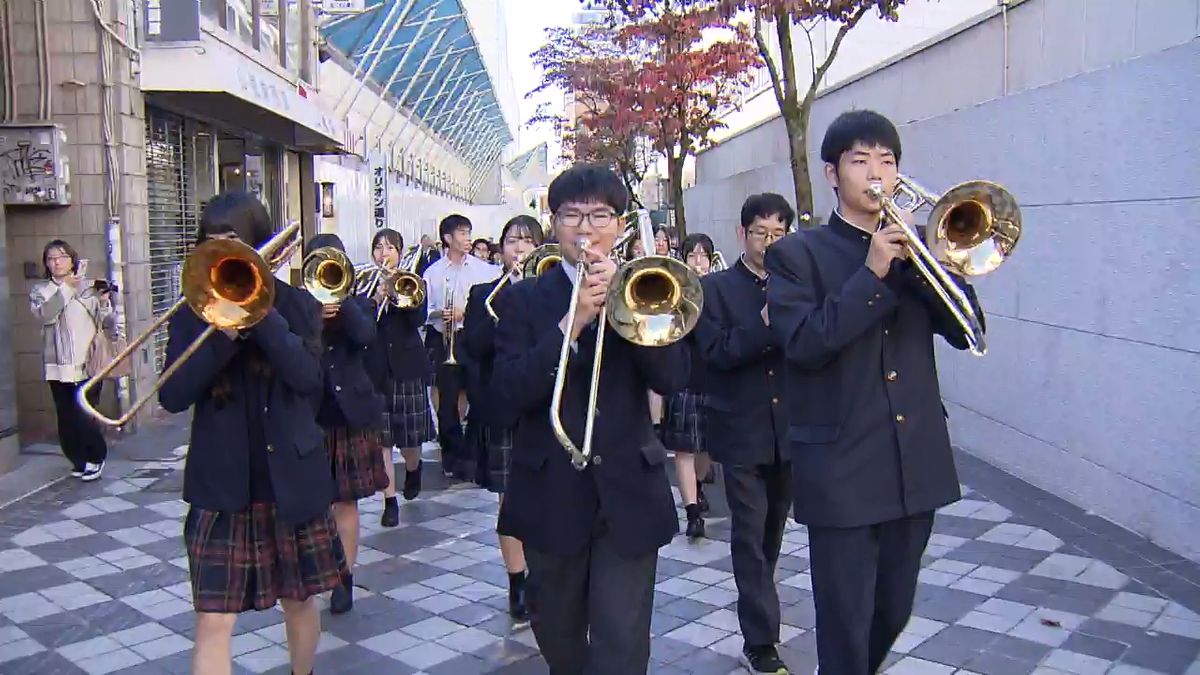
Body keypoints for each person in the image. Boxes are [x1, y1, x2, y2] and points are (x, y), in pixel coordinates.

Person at [765, 109, 984, 673]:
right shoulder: (796, 256)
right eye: (860, 161)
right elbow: (805, 345)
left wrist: (942, 265)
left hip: (915, 464)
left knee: (893, 609)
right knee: (844, 621)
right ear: (833, 173)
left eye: (887, 161)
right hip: (840, 467)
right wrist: (871, 273)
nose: (876, 173)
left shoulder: (919, 251)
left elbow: (968, 333)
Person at [493, 164, 690, 674]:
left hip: (628, 489)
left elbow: (672, 378)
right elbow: (506, 396)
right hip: (550, 493)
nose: (586, 228)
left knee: (622, 644)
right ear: (552, 223)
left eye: (600, 215)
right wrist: (573, 321)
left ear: (620, 224)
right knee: (559, 638)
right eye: (572, 215)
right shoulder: (521, 301)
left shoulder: (645, 288)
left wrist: (631, 315)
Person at [158, 192, 345, 675]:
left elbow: (308, 380)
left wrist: (260, 316)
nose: (223, 255)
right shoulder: (191, 311)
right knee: (213, 621)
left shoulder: (298, 306)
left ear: (262, 248)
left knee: (300, 603)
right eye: (212, 243)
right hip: (222, 486)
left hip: (291, 479)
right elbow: (172, 395)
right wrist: (222, 333)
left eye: (234, 243)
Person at [695, 193, 794, 674]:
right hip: (739, 429)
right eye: (761, 233)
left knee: (773, 532)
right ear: (742, 234)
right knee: (750, 535)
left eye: (778, 234)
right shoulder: (713, 289)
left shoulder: (798, 285)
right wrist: (764, 325)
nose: (769, 243)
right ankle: (761, 641)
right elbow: (716, 353)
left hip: (790, 432)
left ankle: (761, 604)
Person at [462, 214, 544, 624]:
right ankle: (517, 580)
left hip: (546, 407)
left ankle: (545, 575)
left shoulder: (552, 289)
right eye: (512, 241)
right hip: (504, 406)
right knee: (508, 499)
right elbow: (472, 349)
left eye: (528, 241)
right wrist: (502, 307)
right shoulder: (484, 294)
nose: (519, 249)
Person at [306, 233, 389, 615]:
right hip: (307, 413)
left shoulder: (355, 303)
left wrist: (341, 303)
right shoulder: (296, 306)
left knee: (345, 499)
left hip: (349, 413)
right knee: (310, 501)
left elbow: (366, 335)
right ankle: (315, 568)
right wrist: (311, 315)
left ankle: (344, 576)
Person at [422, 215, 500, 479]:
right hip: (443, 339)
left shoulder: (484, 269)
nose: (468, 238)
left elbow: (492, 304)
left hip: (471, 338)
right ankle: (451, 455)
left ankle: (474, 454)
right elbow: (426, 309)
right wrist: (438, 313)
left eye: (469, 233)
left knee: (478, 396)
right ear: (448, 238)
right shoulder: (432, 273)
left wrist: (463, 313)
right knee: (447, 403)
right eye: (462, 233)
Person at [30, 240, 114, 481]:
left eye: (62, 257)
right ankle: (77, 460)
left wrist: (105, 301)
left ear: (72, 260)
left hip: (87, 363)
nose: (56, 262)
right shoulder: (41, 291)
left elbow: (106, 321)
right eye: (51, 258)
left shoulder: (87, 289)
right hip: (57, 365)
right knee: (65, 416)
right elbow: (45, 315)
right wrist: (66, 289)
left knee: (84, 414)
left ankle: (96, 456)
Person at [365, 228, 432, 526]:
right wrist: (374, 297)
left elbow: (418, 319)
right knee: (382, 439)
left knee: (409, 438)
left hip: (407, 367)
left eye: (390, 247)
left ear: (401, 253)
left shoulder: (413, 282)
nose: (384, 253)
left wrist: (396, 294)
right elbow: (361, 324)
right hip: (375, 369)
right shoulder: (364, 284)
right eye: (378, 247)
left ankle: (414, 468)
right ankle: (389, 500)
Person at [662, 232, 716, 540]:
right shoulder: (674, 290)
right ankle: (692, 511)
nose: (698, 261)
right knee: (683, 448)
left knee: (705, 446)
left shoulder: (718, 289)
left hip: (711, 374)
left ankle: (699, 485)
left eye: (703, 256)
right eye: (692, 255)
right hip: (682, 375)